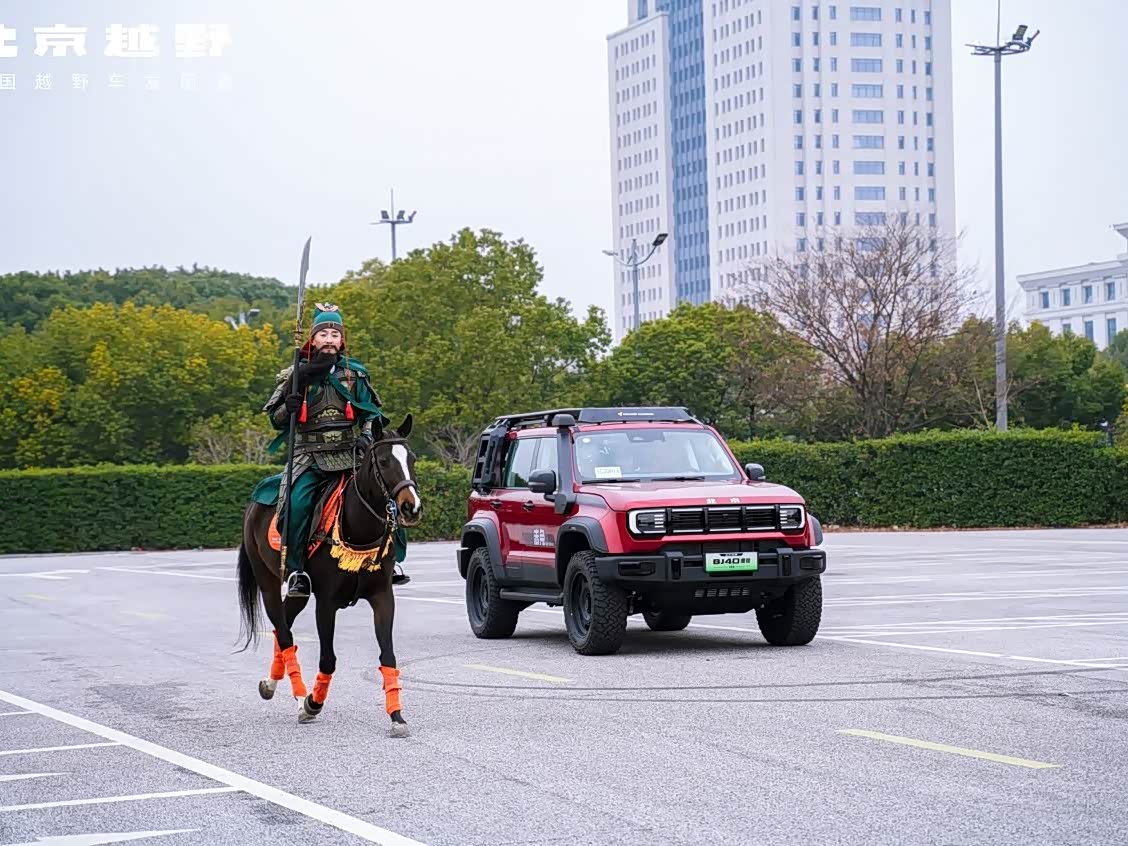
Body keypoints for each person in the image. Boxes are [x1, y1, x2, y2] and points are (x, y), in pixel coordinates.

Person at [262, 303, 407, 597]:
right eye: (323, 334)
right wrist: (288, 407)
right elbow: (275, 419)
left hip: (349, 453)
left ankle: (391, 561)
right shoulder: (294, 375)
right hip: (308, 455)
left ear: (342, 341)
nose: (329, 340)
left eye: (334, 334)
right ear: (312, 339)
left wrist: (366, 436)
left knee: (388, 495)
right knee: (296, 504)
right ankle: (297, 571)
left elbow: (372, 414)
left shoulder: (355, 375)